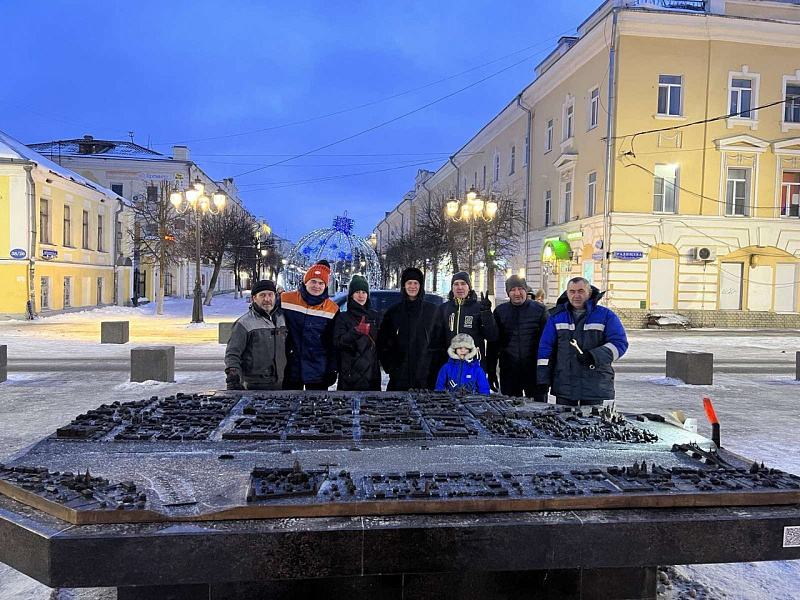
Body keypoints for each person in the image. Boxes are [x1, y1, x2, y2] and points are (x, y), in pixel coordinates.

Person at [537, 277, 628, 406]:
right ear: (567, 293)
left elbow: (619, 343)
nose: (576, 296)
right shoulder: (556, 317)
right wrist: (543, 378)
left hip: (594, 384)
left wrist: (594, 356)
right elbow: (545, 349)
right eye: (572, 292)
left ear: (589, 293)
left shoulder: (605, 315)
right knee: (564, 423)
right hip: (565, 385)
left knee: (593, 423)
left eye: (581, 291)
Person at [427, 271, 498, 385]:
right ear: (452, 288)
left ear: (469, 287)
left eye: (463, 284)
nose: (460, 287)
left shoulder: (478, 308)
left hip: (474, 366)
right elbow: (435, 341)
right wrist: (433, 367)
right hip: (449, 367)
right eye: (456, 284)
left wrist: (486, 314)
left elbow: (492, 336)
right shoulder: (443, 309)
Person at [486, 274, 549, 400]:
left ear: (526, 290)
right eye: (512, 290)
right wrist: (491, 371)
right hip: (509, 372)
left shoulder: (540, 310)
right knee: (510, 411)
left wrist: (547, 373)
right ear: (508, 293)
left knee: (540, 411)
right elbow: (493, 344)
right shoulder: (500, 311)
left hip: (534, 372)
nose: (517, 293)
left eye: (520, 289)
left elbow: (548, 343)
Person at [280, 261, 339, 390]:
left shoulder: (332, 309)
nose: (316, 286)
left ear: (325, 285)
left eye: (321, 283)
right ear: (305, 281)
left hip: (318, 368)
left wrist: (332, 369)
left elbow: (333, 343)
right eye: (313, 281)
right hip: (290, 368)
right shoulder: (286, 299)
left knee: (316, 408)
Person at [377, 267, 438, 390]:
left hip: (426, 379)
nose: (412, 286)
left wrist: (433, 367)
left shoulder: (432, 311)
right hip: (399, 378)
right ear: (404, 286)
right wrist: (391, 367)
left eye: (416, 283)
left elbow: (439, 341)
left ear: (420, 286)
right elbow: (382, 342)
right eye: (409, 283)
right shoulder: (393, 312)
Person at [224, 280, 287, 390]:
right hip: (255, 385)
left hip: (282, 383)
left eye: (270, 295)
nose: (267, 299)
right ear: (254, 298)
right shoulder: (244, 323)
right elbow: (233, 353)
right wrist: (233, 374)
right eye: (262, 295)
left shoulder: (283, 319)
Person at [333, 275, 381, 391]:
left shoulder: (374, 316)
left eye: (364, 292)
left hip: (372, 375)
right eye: (357, 292)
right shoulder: (343, 317)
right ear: (351, 295)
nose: (361, 295)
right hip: (350, 375)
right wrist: (356, 332)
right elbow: (337, 342)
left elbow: (379, 344)